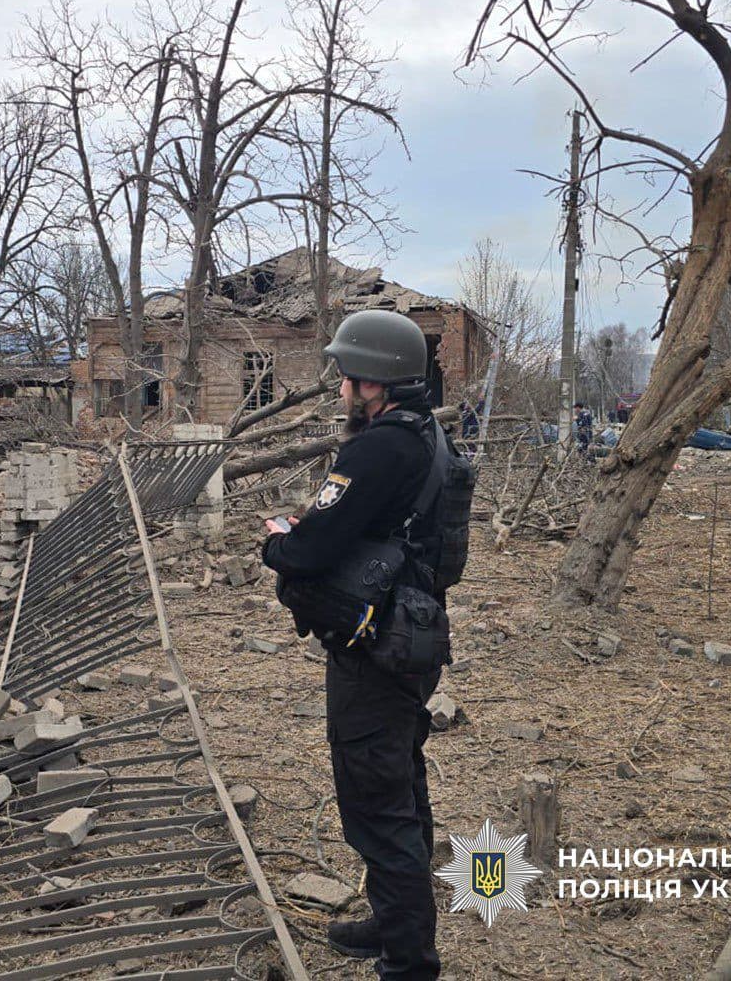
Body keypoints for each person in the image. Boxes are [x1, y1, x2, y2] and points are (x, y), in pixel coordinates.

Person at [262, 309, 443, 981]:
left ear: (375, 382)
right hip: (411, 636)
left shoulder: (378, 448)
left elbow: (309, 551)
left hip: (375, 648)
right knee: (400, 786)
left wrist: (279, 543)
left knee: (377, 803)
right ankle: (394, 927)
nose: (341, 387)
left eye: (346, 375)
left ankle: (409, 963)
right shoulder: (427, 435)